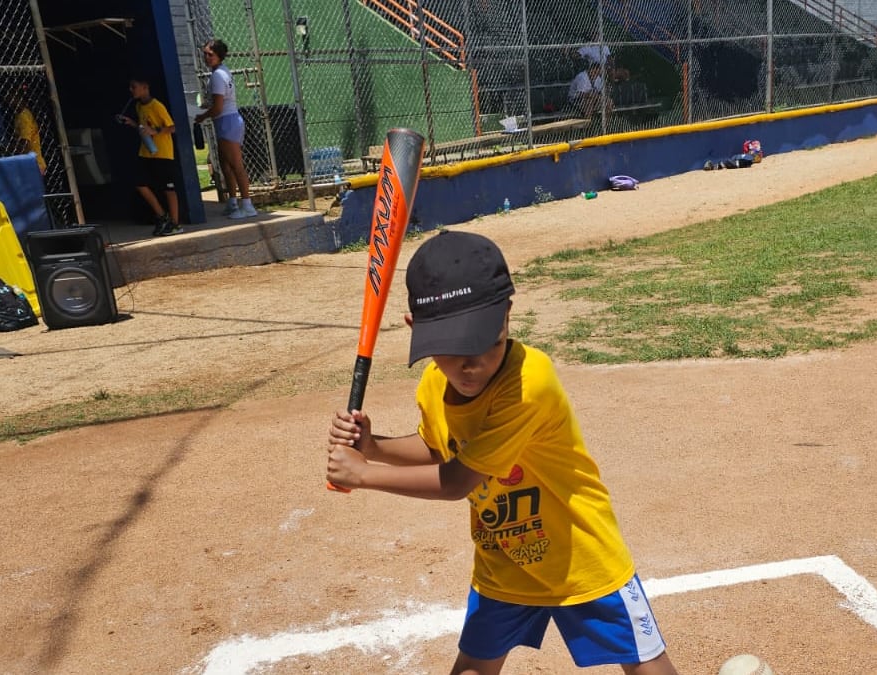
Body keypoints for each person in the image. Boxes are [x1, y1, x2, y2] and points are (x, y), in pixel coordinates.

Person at [326, 231, 680, 675]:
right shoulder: (435, 384)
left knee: (646, 665)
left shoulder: (529, 383)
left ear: (508, 317)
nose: (472, 366)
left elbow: (456, 481)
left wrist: (362, 474)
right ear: (417, 330)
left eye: (488, 343)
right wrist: (373, 448)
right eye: (455, 350)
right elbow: (439, 449)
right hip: (506, 561)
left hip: (580, 558)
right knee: (473, 667)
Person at [194, 39, 257, 220]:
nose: (206, 57)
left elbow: (218, 107)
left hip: (227, 122)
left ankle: (247, 205)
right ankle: (232, 202)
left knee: (236, 165)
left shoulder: (218, 76)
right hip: (226, 122)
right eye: (205, 53)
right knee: (225, 165)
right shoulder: (221, 72)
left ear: (219, 56)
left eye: (210, 54)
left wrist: (202, 116)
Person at [117, 74, 180, 236]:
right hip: (146, 152)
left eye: (134, 87)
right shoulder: (139, 106)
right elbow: (143, 126)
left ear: (145, 87)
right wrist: (132, 124)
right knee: (140, 183)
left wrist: (155, 131)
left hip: (162, 153)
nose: (131, 90)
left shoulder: (157, 106)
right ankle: (161, 215)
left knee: (168, 188)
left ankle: (175, 222)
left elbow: (172, 127)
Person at [5, 86, 46, 175]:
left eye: (12, 99)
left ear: (20, 99)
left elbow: (24, 142)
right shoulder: (18, 115)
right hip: (31, 162)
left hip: (34, 163)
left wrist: (9, 151)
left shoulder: (24, 116)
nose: (10, 103)